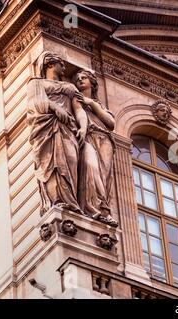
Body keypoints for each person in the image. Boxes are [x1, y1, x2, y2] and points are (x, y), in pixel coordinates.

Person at [27, 51, 87, 215]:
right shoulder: (36, 84)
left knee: (71, 161)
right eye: (61, 63)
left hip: (69, 130)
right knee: (52, 165)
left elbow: (79, 110)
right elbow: (35, 103)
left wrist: (83, 127)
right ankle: (58, 201)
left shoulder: (70, 87)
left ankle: (71, 202)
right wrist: (55, 107)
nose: (65, 67)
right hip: (47, 129)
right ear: (50, 63)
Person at [72, 69, 118, 227]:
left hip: (105, 139)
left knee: (104, 176)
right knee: (91, 168)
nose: (80, 80)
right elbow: (79, 114)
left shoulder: (98, 104)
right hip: (88, 138)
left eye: (83, 77)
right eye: (77, 78)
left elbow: (111, 123)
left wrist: (91, 103)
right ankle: (95, 209)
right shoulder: (76, 99)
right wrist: (83, 129)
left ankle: (103, 209)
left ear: (92, 82)